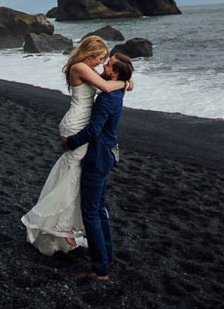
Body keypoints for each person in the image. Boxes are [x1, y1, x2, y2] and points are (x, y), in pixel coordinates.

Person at [21, 36, 131, 257]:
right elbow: (107, 85)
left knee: (75, 177)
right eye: (100, 58)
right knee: (73, 178)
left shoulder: (86, 68)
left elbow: (108, 81)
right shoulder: (80, 66)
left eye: (104, 61)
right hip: (76, 126)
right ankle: (59, 226)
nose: (101, 63)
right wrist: (125, 82)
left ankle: (65, 230)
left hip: (80, 123)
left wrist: (125, 80)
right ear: (90, 54)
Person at [62, 52, 134, 281]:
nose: (104, 66)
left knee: (91, 212)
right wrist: (127, 81)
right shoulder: (116, 90)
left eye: (109, 65)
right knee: (99, 208)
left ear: (115, 73)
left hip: (98, 157)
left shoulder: (106, 98)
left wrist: (70, 142)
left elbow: (94, 131)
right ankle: (106, 256)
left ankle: (100, 268)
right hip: (108, 152)